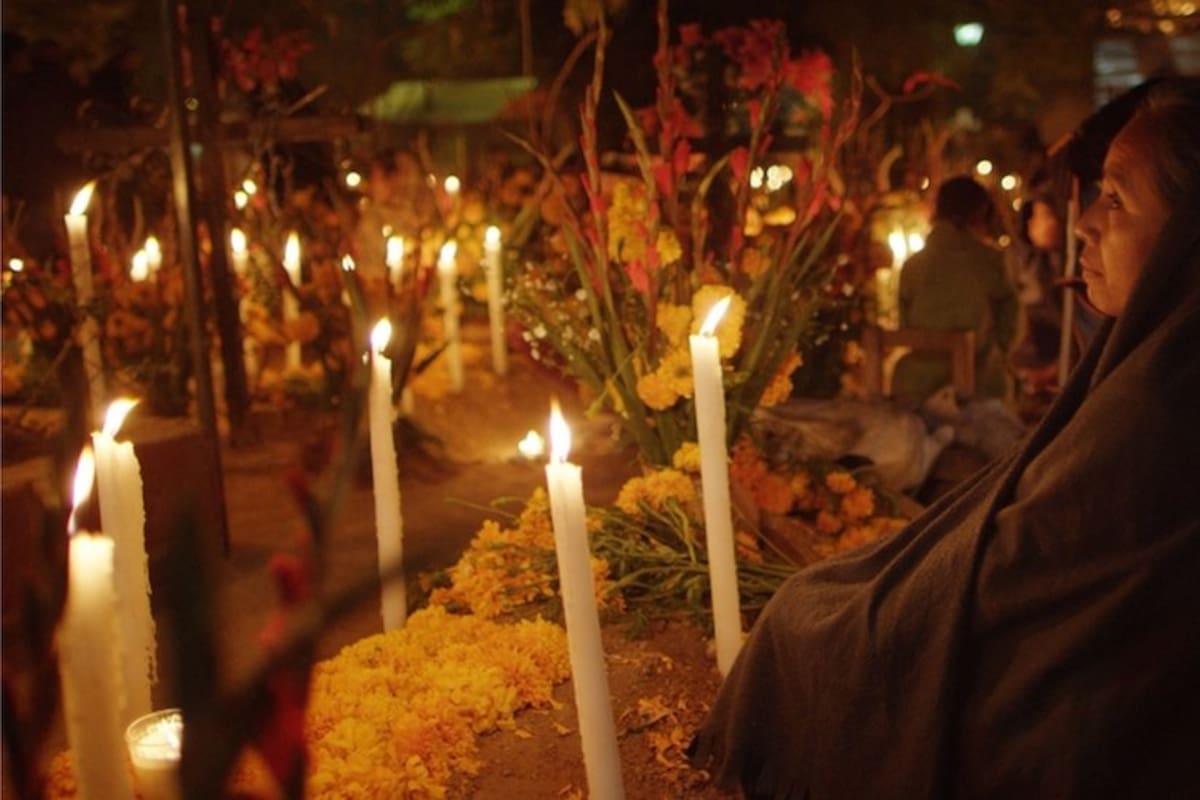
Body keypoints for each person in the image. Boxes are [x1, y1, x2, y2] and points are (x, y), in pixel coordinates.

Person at [690, 77, 1200, 798]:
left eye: (1115, 200)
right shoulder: (1157, 366)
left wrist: (887, 600)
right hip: (970, 392)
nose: (1083, 224)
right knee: (832, 591)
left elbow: (1019, 570)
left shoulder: (1156, 406)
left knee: (810, 618)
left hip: (1081, 705)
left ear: (1186, 241)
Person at [891, 176, 1019, 404]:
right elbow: (1010, 321)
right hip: (979, 384)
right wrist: (998, 350)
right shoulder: (990, 261)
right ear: (980, 212)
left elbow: (904, 324)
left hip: (916, 385)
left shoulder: (912, 266)